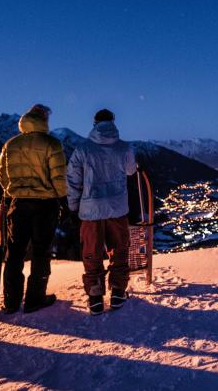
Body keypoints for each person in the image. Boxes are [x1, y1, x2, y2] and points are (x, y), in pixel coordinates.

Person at [0, 104, 68, 314]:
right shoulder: (51, 144)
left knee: (14, 252)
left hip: (18, 204)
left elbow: (3, 176)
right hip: (45, 205)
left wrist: (11, 194)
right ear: (44, 119)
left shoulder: (10, 144)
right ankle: (35, 299)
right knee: (41, 251)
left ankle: (11, 301)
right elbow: (59, 177)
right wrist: (63, 200)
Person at [66, 109, 137, 315]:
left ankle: (95, 296)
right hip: (117, 208)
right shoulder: (125, 147)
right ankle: (117, 292)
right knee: (120, 249)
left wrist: (73, 207)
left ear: (94, 123)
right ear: (113, 122)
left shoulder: (82, 149)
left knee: (91, 252)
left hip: (90, 210)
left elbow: (72, 181)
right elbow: (131, 170)